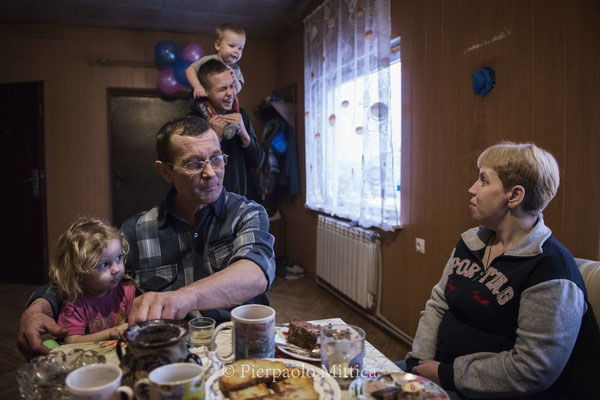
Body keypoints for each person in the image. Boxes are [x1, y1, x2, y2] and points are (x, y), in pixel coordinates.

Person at [17, 116, 276, 360]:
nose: (211, 173)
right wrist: (38, 308)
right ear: (165, 172)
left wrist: (185, 297)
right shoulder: (137, 230)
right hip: (167, 355)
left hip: (238, 348)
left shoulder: (247, 214)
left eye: (217, 159)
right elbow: (76, 277)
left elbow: (256, 272)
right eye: (194, 163)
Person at [403, 142, 598, 399]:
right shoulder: (471, 242)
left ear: (514, 196)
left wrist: (444, 374)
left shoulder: (552, 271)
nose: (472, 189)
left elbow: (531, 370)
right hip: (437, 372)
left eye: (483, 180)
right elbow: (439, 302)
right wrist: (418, 361)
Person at [51, 216, 136, 343]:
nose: (116, 269)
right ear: (79, 272)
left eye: (118, 258)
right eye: (104, 264)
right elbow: (72, 341)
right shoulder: (75, 304)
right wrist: (111, 333)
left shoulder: (127, 292)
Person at [190, 58, 264, 201]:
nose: (231, 93)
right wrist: (217, 139)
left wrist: (244, 134)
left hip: (240, 203)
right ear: (206, 91)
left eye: (231, 86)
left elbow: (258, 162)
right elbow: (193, 170)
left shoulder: (241, 115)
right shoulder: (193, 120)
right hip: (208, 205)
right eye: (223, 89)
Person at [185, 22, 245, 99]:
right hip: (201, 98)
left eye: (240, 48)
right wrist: (197, 86)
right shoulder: (209, 60)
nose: (237, 51)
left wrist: (234, 78)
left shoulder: (235, 69)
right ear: (218, 45)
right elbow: (190, 70)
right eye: (232, 46)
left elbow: (237, 90)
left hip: (219, 103)